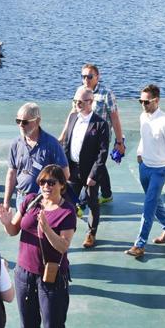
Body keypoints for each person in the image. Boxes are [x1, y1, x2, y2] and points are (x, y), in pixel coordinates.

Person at [0, 164, 76, 328]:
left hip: (51, 277)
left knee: (53, 325)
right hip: (25, 272)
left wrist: (47, 229)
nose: (46, 186)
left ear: (61, 184)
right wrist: (5, 221)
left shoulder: (67, 212)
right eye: (42, 182)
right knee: (27, 322)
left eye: (51, 182)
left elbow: (63, 246)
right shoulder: (31, 200)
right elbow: (13, 230)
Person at [125, 85, 165, 259]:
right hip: (145, 167)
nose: (143, 104)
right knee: (154, 201)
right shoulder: (143, 116)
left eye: (146, 101)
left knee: (148, 205)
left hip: (160, 170)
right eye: (140, 101)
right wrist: (140, 153)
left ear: (156, 101)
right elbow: (145, 137)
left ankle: (140, 244)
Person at [61, 64, 126, 204]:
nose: (86, 79)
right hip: (81, 136)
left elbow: (115, 118)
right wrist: (63, 135)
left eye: (90, 76)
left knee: (96, 163)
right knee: (96, 164)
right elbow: (72, 114)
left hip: (99, 136)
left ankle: (84, 202)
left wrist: (119, 141)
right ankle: (107, 193)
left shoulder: (106, 94)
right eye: (83, 76)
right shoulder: (80, 91)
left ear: (97, 77)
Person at [63, 87, 109, 248]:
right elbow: (67, 144)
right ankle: (66, 229)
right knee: (67, 200)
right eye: (75, 101)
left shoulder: (100, 124)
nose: (76, 104)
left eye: (80, 102)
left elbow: (102, 153)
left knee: (92, 202)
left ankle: (91, 233)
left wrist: (94, 175)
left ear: (90, 102)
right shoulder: (73, 117)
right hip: (72, 169)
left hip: (90, 172)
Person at [4, 103, 70, 211]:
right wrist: (6, 202)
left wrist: (48, 195)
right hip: (21, 198)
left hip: (43, 201)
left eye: (25, 122)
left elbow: (65, 174)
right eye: (18, 121)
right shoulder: (16, 143)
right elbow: (12, 173)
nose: (21, 125)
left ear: (37, 121)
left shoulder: (51, 144)